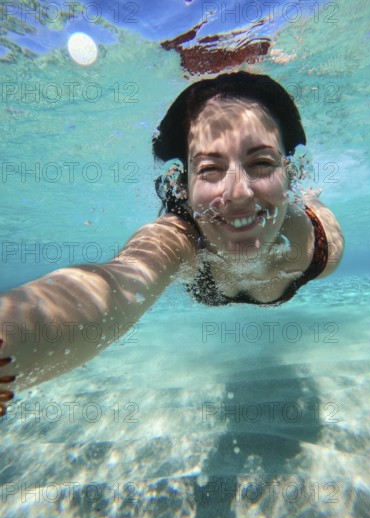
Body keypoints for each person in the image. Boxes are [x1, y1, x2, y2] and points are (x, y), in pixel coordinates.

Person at [0, 71, 344, 415]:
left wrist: (311, 205)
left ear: (291, 173)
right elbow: (117, 283)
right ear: (183, 184)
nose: (238, 193)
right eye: (210, 168)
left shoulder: (318, 245)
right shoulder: (177, 238)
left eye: (262, 163)